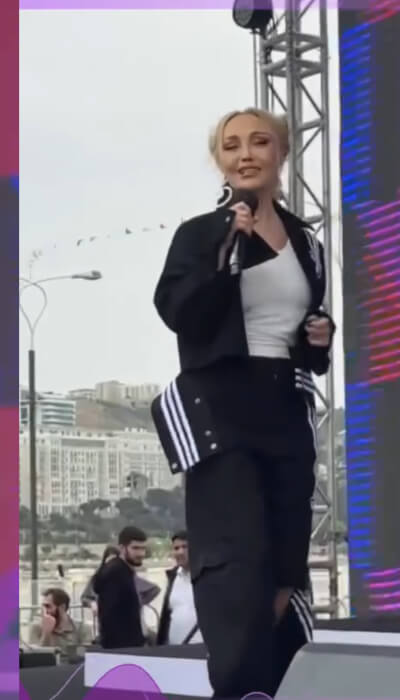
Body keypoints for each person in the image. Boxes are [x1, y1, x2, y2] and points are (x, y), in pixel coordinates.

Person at [151, 107, 330, 698]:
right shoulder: (201, 233)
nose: (246, 154)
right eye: (231, 146)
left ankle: (276, 681)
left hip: (285, 408)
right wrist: (230, 248)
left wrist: (318, 338)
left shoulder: (306, 241)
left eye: (259, 142)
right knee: (235, 564)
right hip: (221, 411)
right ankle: (237, 685)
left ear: (281, 153)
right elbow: (180, 313)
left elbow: (301, 331)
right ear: (219, 160)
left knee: (285, 566)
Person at [91, 526, 149, 649]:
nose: (141, 554)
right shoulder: (116, 573)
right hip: (123, 648)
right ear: (122, 548)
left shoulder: (123, 571)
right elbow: (110, 617)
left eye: (143, 548)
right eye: (135, 548)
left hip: (127, 647)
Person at [156, 531, 202, 646]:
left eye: (185, 547)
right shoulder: (173, 577)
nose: (180, 552)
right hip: (174, 649)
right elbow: (166, 617)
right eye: (176, 548)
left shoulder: (207, 578)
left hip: (201, 650)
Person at [27, 588, 93, 663]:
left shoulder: (82, 628)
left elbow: (86, 656)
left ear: (62, 607)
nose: (44, 612)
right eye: (43, 607)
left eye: (48, 606)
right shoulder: (36, 627)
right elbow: (34, 658)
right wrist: (46, 634)